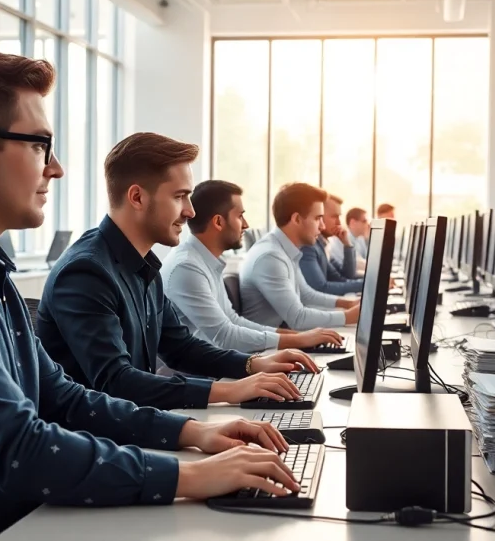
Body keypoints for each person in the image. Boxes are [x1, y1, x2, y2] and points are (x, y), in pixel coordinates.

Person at [0, 45, 297, 541]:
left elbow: (63, 397)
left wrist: (195, 433)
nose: (56, 169)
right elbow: (20, 448)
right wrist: (191, 476)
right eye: (40, 146)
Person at [37, 133, 318, 412]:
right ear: (137, 197)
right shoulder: (86, 272)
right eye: (180, 196)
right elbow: (117, 382)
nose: (190, 212)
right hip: (99, 435)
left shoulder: (143, 265)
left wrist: (253, 365)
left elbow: (180, 347)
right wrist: (232, 390)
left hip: (136, 423)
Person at [160, 180, 343, 353]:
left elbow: (233, 321)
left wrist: (299, 337)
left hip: (217, 363)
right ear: (218, 222)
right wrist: (298, 340)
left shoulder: (203, 260)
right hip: (194, 372)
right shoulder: (187, 268)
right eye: (240, 216)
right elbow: (225, 335)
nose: (246, 225)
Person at [240, 182, 360, 330]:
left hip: (285, 337)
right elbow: (297, 318)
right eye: (317, 218)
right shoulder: (270, 257)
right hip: (270, 342)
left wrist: (349, 304)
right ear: (296, 219)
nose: (322, 226)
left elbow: (306, 295)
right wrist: (348, 316)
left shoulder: (285, 249)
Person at [299, 194, 364, 296]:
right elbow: (321, 288)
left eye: (339, 217)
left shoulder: (321, 245)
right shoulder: (309, 246)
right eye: (334, 216)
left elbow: (345, 276)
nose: (339, 222)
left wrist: (347, 245)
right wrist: (369, 284)